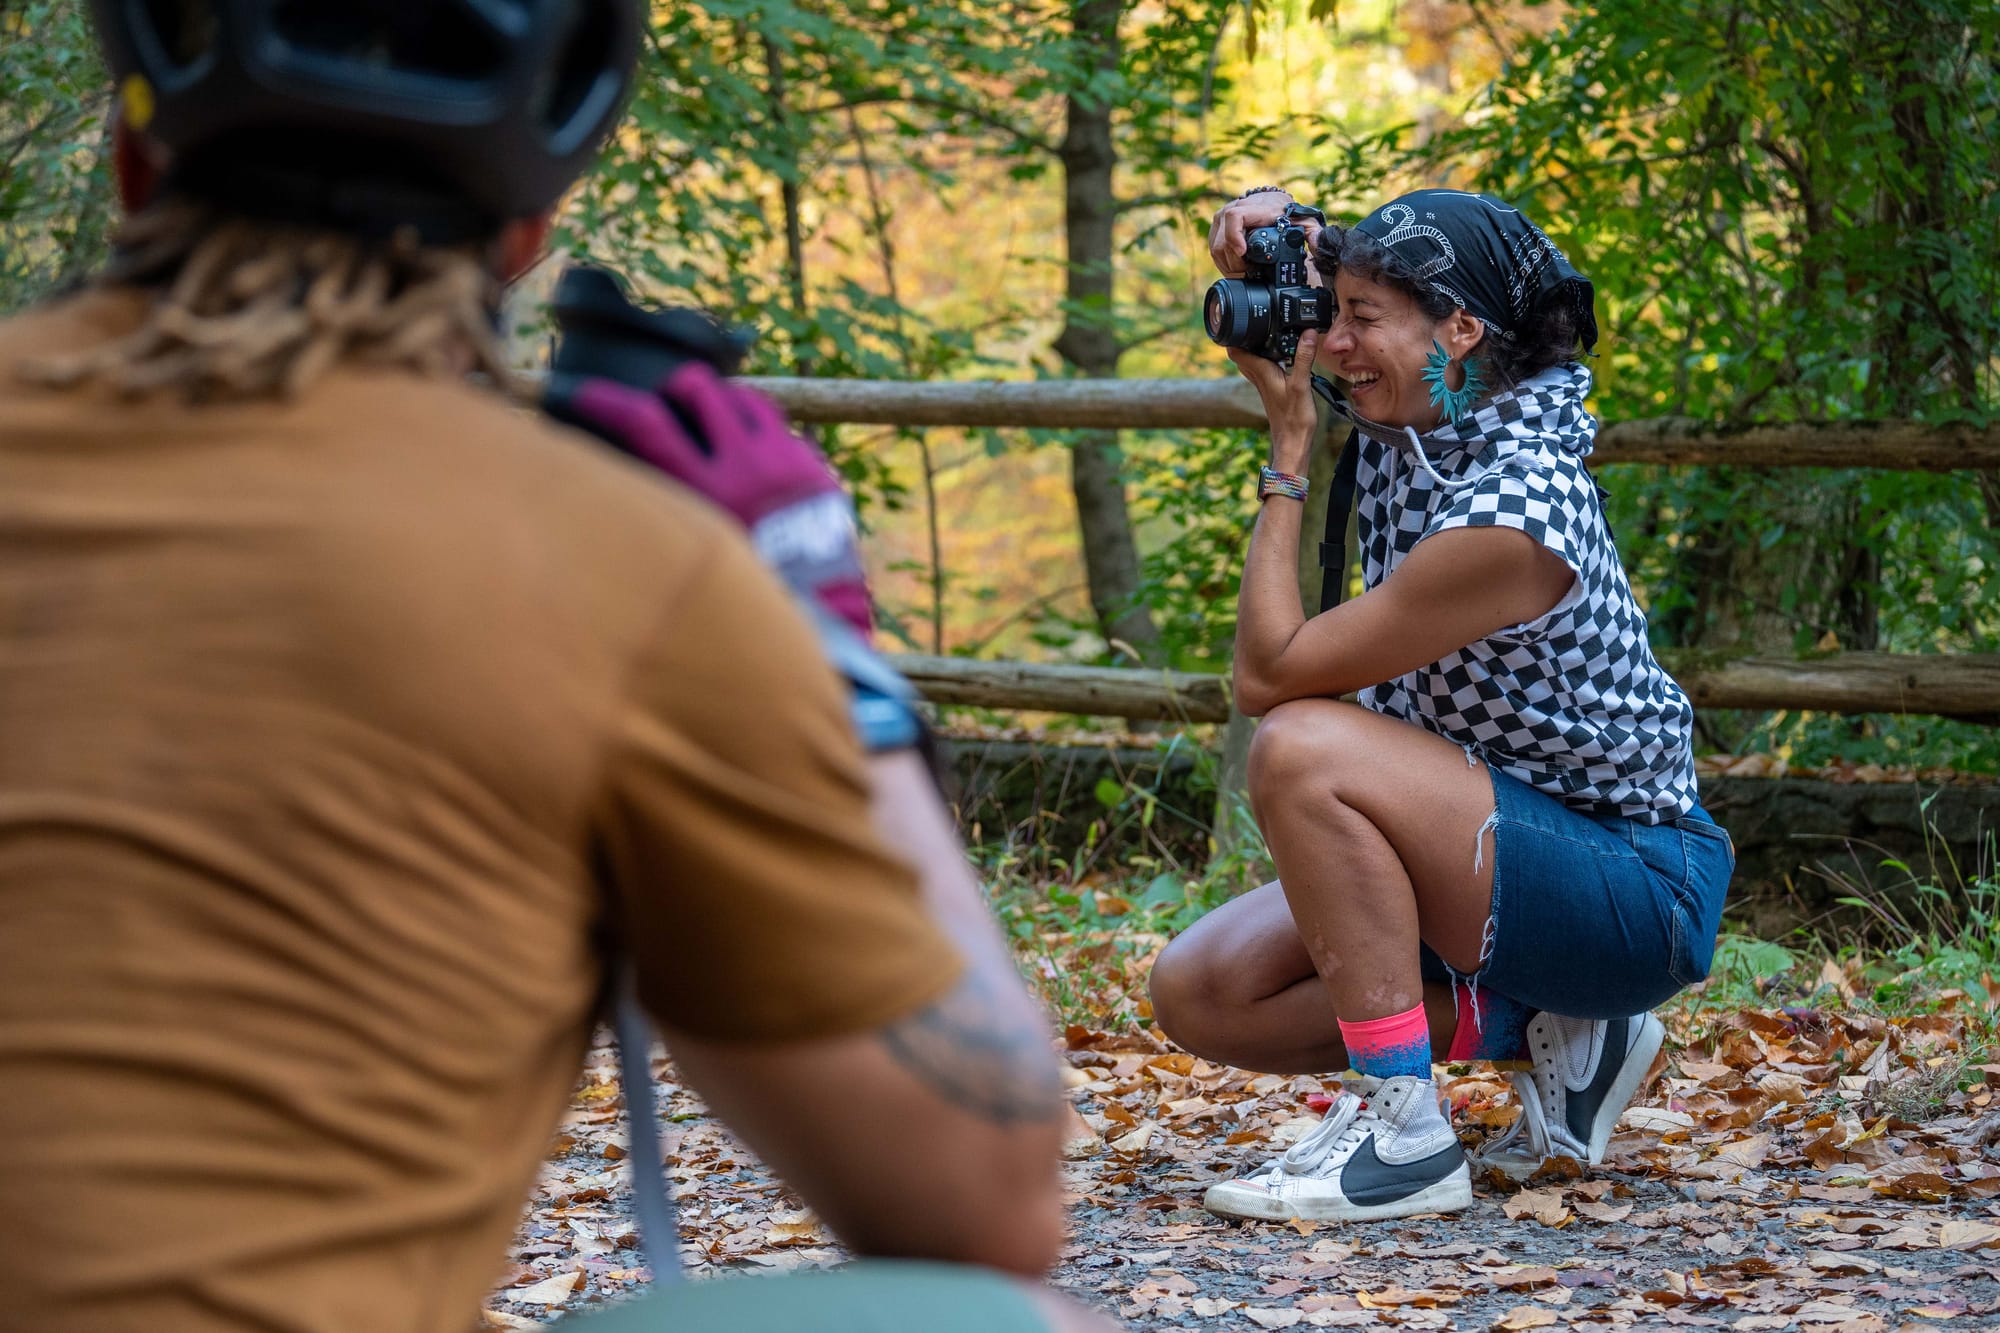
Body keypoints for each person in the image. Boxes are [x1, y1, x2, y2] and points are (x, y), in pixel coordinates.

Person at [0, 3, 1115, 1331]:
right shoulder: (621, 564)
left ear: (135, 172)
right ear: (528, 237)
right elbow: (989, 1202)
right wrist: (826, 650)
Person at [1147, 186, 1734, 1223]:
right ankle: (1549, 1026)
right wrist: (1273, 226)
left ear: (1460, 330)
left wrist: (1285, 454)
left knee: (1298, 746)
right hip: (1491, 842)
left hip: (1635, 886)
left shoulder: (1514, 504)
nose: (1331, 345)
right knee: (1204, 992)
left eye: (1360, 321)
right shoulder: (1424, 421)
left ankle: (1402, 1135)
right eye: (1333, 314)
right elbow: (1359, 264)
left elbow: (1269, 674)